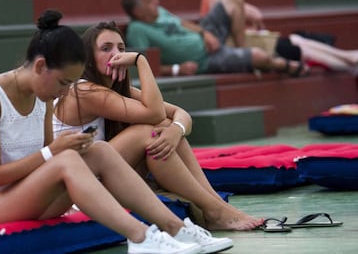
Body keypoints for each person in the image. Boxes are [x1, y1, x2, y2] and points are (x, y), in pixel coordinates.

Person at [0, 9, 234, 254]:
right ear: (40, 66)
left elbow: (48, 163)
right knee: (67, 158)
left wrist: (66, 149)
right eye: (63, 82)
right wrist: (55, 151)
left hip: (26, 195)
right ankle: (141, 237)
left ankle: (174, 228)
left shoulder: (44, 95)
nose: (66, 92)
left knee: (98, 149)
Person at [53, 21, 264, 233]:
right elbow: (154, 113)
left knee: (164, 128)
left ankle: (216, 205)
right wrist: (140, 60)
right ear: (88, 58)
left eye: (121, 48)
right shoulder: (84, 91)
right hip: (76, 187)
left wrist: (176, 131)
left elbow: (181, 114)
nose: (116, 55)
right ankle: (214, 210)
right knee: (150, 132)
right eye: (106, 49)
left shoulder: (114, 91)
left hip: (103, 174)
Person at [120, 0, 309, 77]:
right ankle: (281, 65)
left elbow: (183, 23)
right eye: (149, 1)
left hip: (205, 36)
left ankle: (241, 49)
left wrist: (205, 33)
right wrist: (177, 69)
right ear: (137, 10)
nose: (156, 2)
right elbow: (143, 67)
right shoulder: (137, 30)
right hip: (204, 59)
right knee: (261, 57)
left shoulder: (159, 11)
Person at [200, 0, 358, 73]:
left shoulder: (218, 3)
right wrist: (241, 7)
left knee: (297, 40)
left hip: (258, 44)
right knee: (300, 49)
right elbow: (254, 13)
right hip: (256, 50)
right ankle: (350, 64)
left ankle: (350, 58)